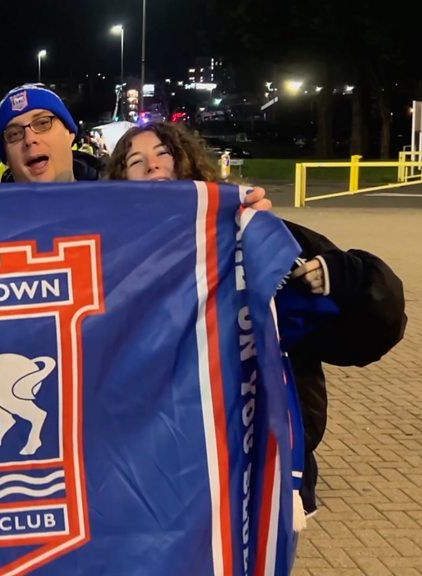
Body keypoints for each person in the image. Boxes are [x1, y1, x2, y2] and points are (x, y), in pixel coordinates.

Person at [105, 121, 406, 518]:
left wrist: (343, 277)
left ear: (189, 164)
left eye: (164, 154)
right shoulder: (111, 259)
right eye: (136, 161)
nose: (153, 168)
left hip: (251, 467)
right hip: (151, 475)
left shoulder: (251, 233)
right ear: (120, 180)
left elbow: (371, 331)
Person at [0, 83, 102, 183]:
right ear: (6, 158)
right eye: (14, 134)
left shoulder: (114, 199)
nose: (30, 139)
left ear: (69, 133)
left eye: (43, 123)